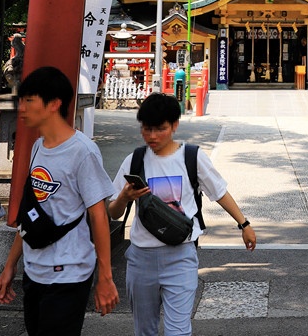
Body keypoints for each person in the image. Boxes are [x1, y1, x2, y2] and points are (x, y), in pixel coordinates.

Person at [107, 92, 256, 336]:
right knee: (145, 331)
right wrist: (124, 197)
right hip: (140, 258)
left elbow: (219, 192)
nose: (152, 136)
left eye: (160, 129)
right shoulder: (133, 160)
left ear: (175, 125)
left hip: (180, 256)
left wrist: (244, 224)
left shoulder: (191, 157)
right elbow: (113, 212)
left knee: (178, 331)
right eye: (147, 129)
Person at [0, 66, 120, 334]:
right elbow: (32, 212)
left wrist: (105, 278)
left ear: (54, 104)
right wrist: (10, 266)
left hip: (69, 275)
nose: (22, 108)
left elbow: (99, 216)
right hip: (34, 271)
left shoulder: (83, 152)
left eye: (29, 100)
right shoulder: (39, 146)